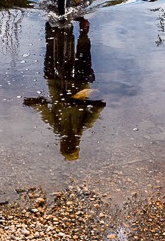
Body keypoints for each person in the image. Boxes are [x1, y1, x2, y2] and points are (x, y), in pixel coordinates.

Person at [23, 18, 105, 160]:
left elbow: (44, 111)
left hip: (56, 85)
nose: (69, 142)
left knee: (50, 66)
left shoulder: (56, 127)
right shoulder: (85, 124)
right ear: (78, 144)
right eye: (72, 145)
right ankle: (84, 33)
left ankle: (51, 28)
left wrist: (35, 103)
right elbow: (100, 106)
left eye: (66, 145)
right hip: (80, 87)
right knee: (84, 66)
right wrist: (81, 103)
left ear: (61, 144)